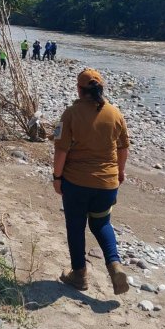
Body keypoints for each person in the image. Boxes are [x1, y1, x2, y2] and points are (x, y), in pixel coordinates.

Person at [52, 68, 130, 295]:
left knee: (76, 227)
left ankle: (79, 276)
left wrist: (57, 177)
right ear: (101, 89)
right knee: (101, 224)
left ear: (79, 89)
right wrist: (120, 172)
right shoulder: (115, 114)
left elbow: (61, 151)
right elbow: (123, 148)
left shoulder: (71, 114)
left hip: (76, 184)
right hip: (107, 185)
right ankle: (114, 266)